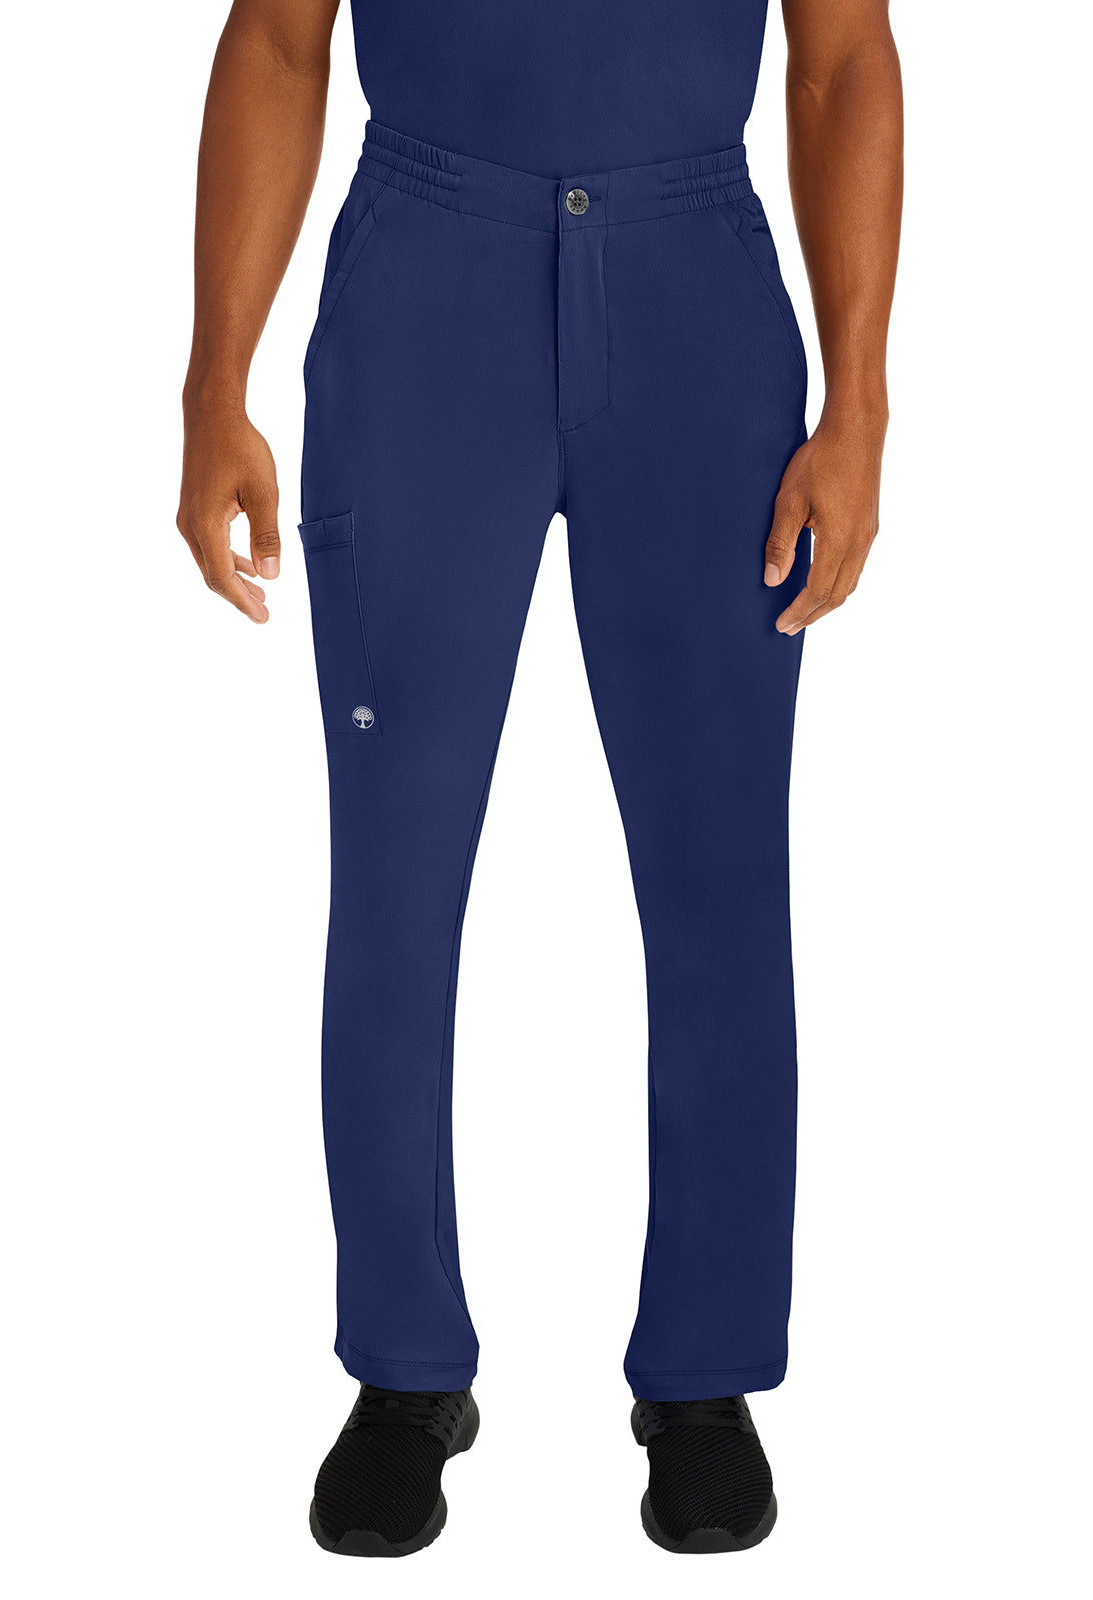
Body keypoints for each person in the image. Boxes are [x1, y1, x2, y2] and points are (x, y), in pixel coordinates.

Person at [178, 0, 902, 1558]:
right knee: (396, 874)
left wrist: (860, 403)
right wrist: (211, 382)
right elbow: (279, 37)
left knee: (719, 876)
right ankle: (403, 1370)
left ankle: (705, 1376)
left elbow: (844, 53)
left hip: (696, 302)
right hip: (423, 291)